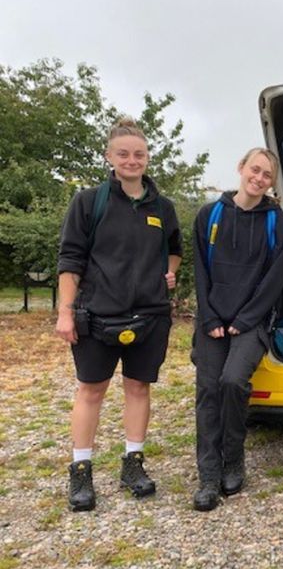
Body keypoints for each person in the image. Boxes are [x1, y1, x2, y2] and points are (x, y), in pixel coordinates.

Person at [56, 117, 182, 512]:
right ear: (109, 156)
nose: (132, 160)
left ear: (147, 158)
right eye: (124, 153)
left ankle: (133, 464)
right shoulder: (88, 201)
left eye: (139, 154)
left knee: (138, 388)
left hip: (150, 314)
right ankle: (81, 470)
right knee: (91, 391)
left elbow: (175, 248)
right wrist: (66, 312)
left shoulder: (163, 207)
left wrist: (172, 273)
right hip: (96, 314)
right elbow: (70, 260)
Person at [191, 147, 283, 511]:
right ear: (241, 168)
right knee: (208, 391)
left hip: (252, 322)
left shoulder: (276, 222)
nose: (260, 179)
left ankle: (233, 459)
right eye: (256, 170)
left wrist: (244, 321)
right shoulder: (209, 215)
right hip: (213, 321)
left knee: (233, 382)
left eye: (267, 176)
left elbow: (275, 279)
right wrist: (210, 319)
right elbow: (200, 271)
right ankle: (207, 476)